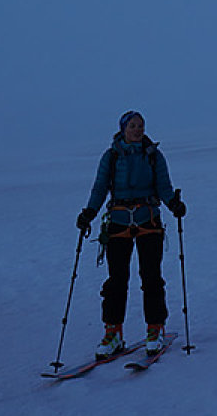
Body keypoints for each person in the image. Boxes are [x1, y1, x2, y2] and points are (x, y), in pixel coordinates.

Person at [76, 110, 185, 356]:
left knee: (151, 277)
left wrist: (174, 204)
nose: (138, 130)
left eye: (141, 126)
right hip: (118, 222)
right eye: (133, 126)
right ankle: (113, 333)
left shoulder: (154, 156)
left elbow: (164, 187)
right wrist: (89, 213)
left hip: (149, 221)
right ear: (123, 129)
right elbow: (100, 188)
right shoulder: (111, 157)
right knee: (116, 280)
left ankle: (155, 329)